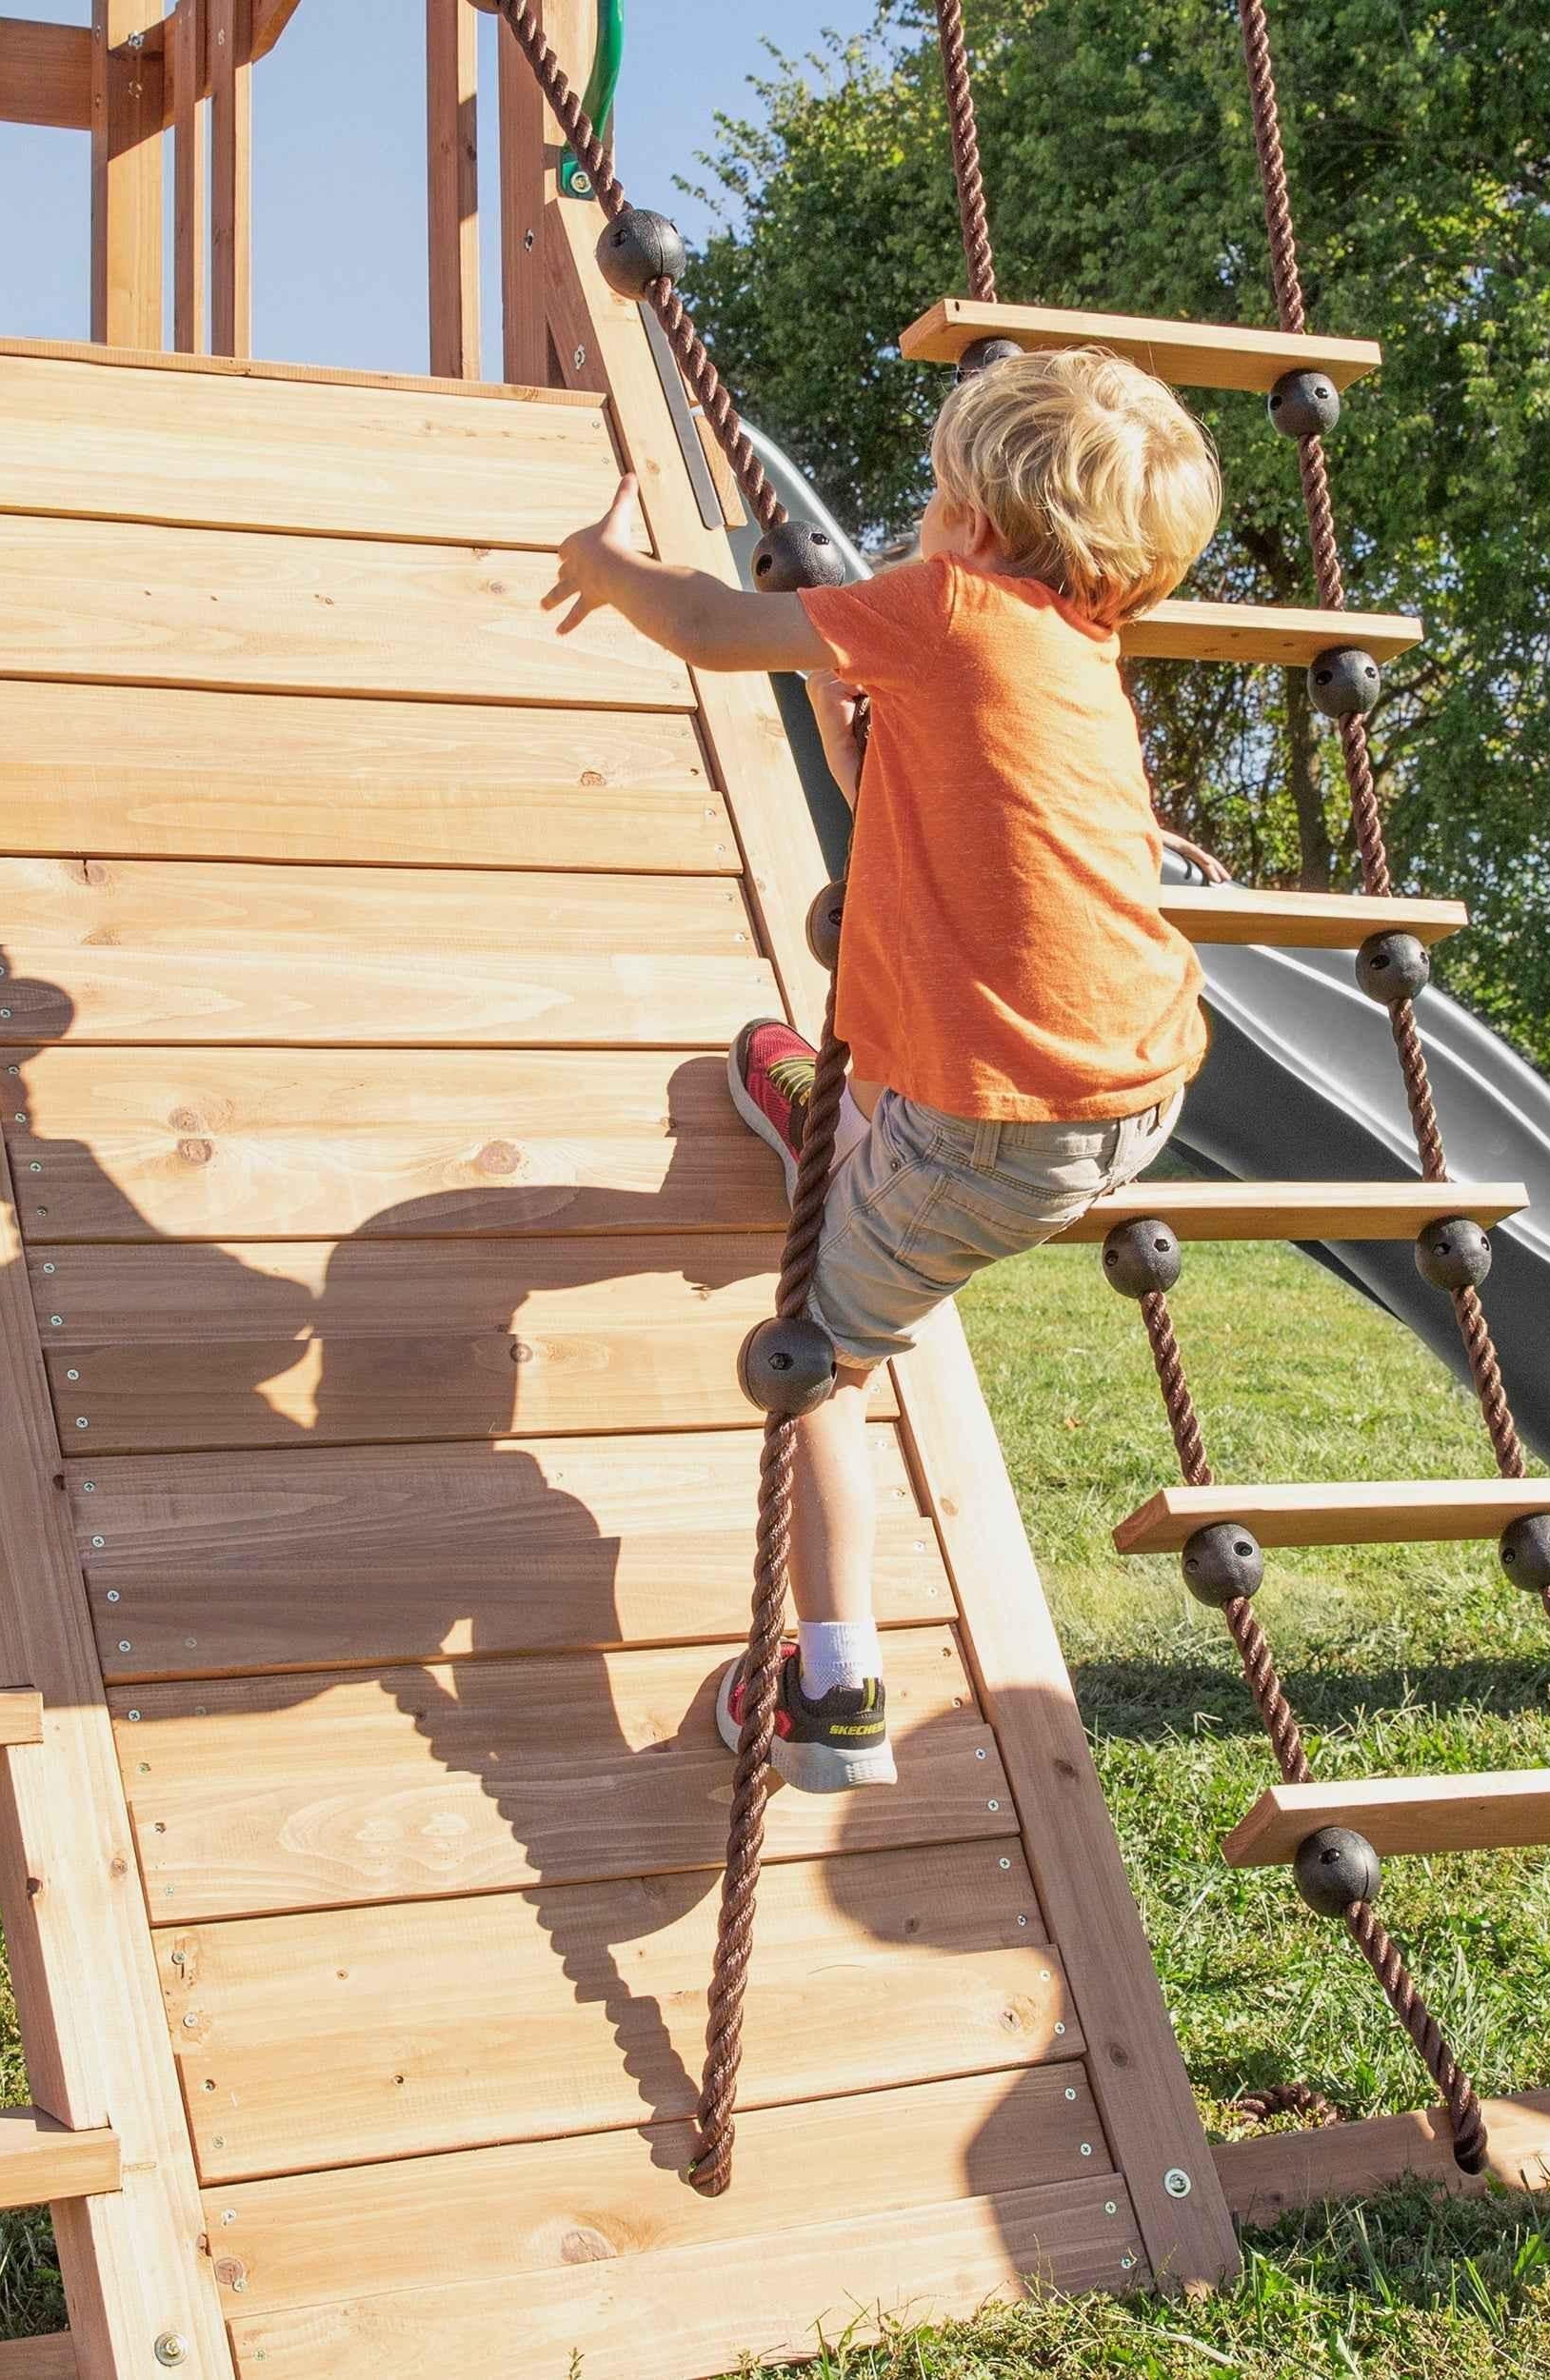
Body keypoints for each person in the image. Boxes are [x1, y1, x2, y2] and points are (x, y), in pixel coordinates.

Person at [546, 346, 1223, 1793]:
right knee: (892, 1116)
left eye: (933, 494)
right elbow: (928, 798)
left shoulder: (952, 604)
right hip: (1138, 1081)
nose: (923, 518)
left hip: (998, 1124)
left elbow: (724, 629)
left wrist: (609, 569)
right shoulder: (1077, 648)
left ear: (973, 520)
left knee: (815, 1367)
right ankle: (837, 1117)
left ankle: (834, 1684)